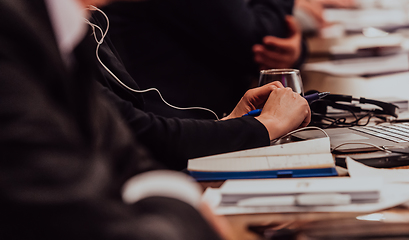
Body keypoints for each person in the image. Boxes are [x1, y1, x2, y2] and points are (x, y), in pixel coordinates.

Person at [0, 0, 310, 239]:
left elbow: (125, 143)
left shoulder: (66, 23)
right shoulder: (14, 37)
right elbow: (79, 213)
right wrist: (260, 127)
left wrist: (230, 124)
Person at [100, 0, 307, 118]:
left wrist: (296, 50)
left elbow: (266, 34)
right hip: (175, 134)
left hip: (215, 121)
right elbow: (259, 38)